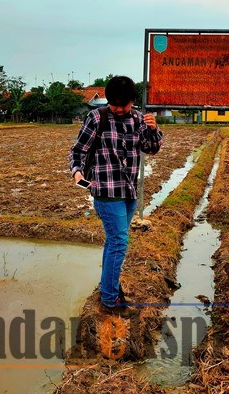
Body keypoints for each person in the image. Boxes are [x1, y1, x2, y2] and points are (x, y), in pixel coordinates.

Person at [69, 76, 163, 316]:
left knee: (114, 242)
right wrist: (77, 172)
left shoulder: (140, 119)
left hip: (130, 190)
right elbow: (79, 149)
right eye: (114, 104)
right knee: (120, 242)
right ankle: (110, 300)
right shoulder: (97, 117)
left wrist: (153, 130)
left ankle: (109, 287)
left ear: (132, 101)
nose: (119, 109)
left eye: (124, 104)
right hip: (105, 190)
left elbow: (151, 149)